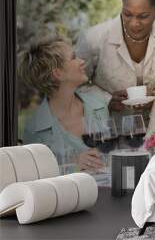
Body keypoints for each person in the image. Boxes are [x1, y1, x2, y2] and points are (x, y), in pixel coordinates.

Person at [76, 0, 155, 132]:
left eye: (143, 16)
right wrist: (106, 100)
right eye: (127, 14)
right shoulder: (93, 39)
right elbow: (75, 84)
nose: (134, 24)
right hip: (110, 133)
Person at [20, 36, 109, 172]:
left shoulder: (99, 105)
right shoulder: (34, 130)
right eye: (73, 57)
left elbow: (114, 154)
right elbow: (33, 176)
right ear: (58, 73)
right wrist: (73, 164)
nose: (82, 61)